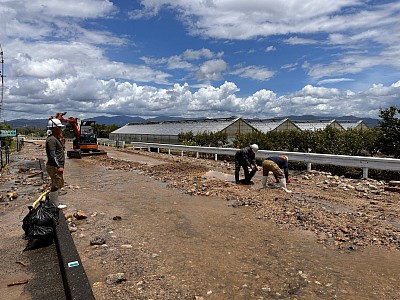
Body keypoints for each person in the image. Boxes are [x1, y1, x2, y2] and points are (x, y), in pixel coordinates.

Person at [46, 118, 65, 206]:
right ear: (55, 129)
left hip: (56, 166)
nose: (61, 130)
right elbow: (52, 154)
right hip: (54, 166)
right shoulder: (52, 140)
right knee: (56, 184)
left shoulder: (55, 139)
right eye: (60, 128)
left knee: (58, 183)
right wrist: (58, 166)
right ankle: (53, 204)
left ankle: (54, 202)